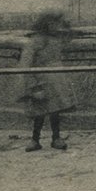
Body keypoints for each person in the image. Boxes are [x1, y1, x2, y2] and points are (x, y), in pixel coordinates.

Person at [18, 12, 77, 152]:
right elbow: (25, 64)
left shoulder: (56, 39)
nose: (57, 26)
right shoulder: (36, 41)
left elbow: (69, 39)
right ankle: (35, 139)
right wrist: (34, 86)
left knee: (55, 111)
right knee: (39, 112)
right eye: (54, 23)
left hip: (56, 81)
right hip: (41, 81)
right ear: (46, 24)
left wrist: (67, 25)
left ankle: (56, 138)